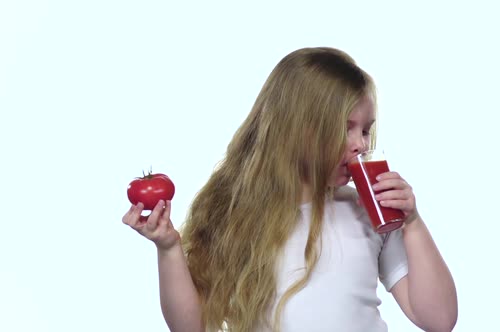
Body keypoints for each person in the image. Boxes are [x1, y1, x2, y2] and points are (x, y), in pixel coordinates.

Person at [122, 47, 458, 332]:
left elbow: (439, 319)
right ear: (297, 128)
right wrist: (168, 249)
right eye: (345, 129)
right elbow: (190, 325)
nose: (360, 145)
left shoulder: (369, 212)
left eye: (366, 131)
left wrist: (412, 222)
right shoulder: (237, 215)